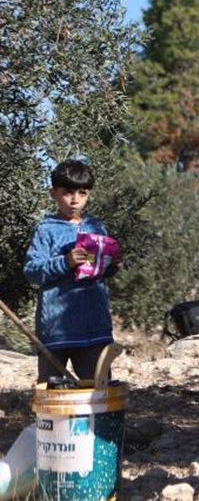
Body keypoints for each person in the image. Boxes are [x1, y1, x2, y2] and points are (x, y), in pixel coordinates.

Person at [24, 159, 120, 382]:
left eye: (82, 193)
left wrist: (112, 265)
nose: (75, 200)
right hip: (57, 329)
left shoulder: (96, 227)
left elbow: (99, 272)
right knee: (52, 395)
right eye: (67, 192)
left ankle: (102, 420)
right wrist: (65, 262)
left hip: (95, 327)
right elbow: (32, 271)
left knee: (99, 391)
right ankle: (52, 420)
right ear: (53, 193)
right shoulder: (45, 230)